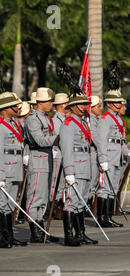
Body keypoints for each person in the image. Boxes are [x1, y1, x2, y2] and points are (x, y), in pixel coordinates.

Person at [0, 92, 27, 248]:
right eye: (15, 105)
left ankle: (8, 236)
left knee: (9, 205)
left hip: (14, 168)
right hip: (3, 170)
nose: (18, 107)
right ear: (6, 108)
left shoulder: (13, 123)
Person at [59, 93, 97, 246]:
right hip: (75, 167)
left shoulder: (82, 122)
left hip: (85, 166)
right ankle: (69, 236)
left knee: (81, 202)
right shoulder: (68, 124)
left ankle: (80, 234)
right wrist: (69, 171)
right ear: (72, 107)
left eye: (84, 104)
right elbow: (67, 149)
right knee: (72, 202)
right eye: (80, 104)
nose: (83, 107)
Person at [23, 87, 59, 243]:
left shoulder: (46, 118)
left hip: (47, 157)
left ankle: (41, 230)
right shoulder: (33, 119)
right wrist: (59, 139)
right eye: (49, 101)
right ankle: (35, 232)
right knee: (35, 197)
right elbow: (39, 140)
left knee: (44, 197)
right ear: (41, 102)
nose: (51, 104)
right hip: (37, 158)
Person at [95, 89, 128, 228]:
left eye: (119, 102)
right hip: (108, 156)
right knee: (105, 188)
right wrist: (103, 159)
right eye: (116, 102)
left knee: (113, 187)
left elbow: (121, 141)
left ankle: (108, 216)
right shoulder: (105, 118)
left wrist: (127, 154)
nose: (120, 105)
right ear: (110, 103)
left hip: (118, 157)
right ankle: (102, 217)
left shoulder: (119, 119)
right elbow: (100, 140)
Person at [48, 93, 70, 219]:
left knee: (63, 182)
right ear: (62, 105)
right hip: (58, 154)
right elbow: (59, 138)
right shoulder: (56, 120)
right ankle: (53, 206)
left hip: (64, 154)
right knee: (56, 181)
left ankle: (59, 206)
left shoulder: (65, 119)